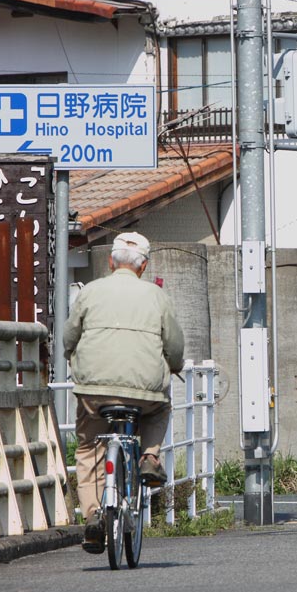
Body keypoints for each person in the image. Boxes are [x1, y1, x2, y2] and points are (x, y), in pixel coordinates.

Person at [63, 232, 185, 553]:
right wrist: (174, 364)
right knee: (160, 407)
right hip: (144, 392)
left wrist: (72, 356)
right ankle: (149, 455)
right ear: (143, 267)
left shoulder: (89, 292)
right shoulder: (157, 297)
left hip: (94, 391)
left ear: (109, 261)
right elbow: (173, 345)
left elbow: (68, 337)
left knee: (89, 447)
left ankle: (92, 515)